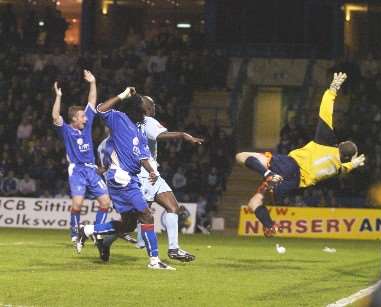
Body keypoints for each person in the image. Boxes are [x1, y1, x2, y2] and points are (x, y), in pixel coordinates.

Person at [235, 73, 366, 237]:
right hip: (291, 184)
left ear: (339, 145)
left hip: (290, 165)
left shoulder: (327, 142)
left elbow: (325, 110)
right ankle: (269, 226)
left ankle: (267, 173)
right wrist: (353, 165)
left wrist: (333, 89)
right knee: (255, 202)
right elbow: (344, 169)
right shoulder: (337, 168)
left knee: (241, 156)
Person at [77, 87, 174, 270]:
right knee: (146, 215)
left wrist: (152, 171)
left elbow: (143, 157)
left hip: (131, 178)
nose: (146, 114)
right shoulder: (119, 119)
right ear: (135, 110)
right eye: (143, 111)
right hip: (121, 178)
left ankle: (88, 230)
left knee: (128, 225)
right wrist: (122, 95)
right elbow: (101, 109)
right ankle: (154, 261)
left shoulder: (140, 132)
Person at [134, 96, 203, 262]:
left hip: (152, 173)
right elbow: (160, 135)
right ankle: (97, 232)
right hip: (145, 174)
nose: (155, 106)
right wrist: (182, 135)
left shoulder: (133, 122)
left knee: (173, 207)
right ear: (147, 108)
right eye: (153, 104)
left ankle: (173, 249)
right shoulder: (148, 120)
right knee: (137, 218)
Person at [51, 70, 111, 246]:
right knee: (77, 205)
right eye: (82, 116)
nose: (85, 118)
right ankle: (75, 234)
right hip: (77, 170)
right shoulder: (66, 131)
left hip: (91, 169)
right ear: (74, 119)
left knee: (105, 202)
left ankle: (97, 233)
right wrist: (58, 96)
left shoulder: (87, 125)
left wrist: (92, 82)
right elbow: (56, 116)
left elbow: (91, 102)